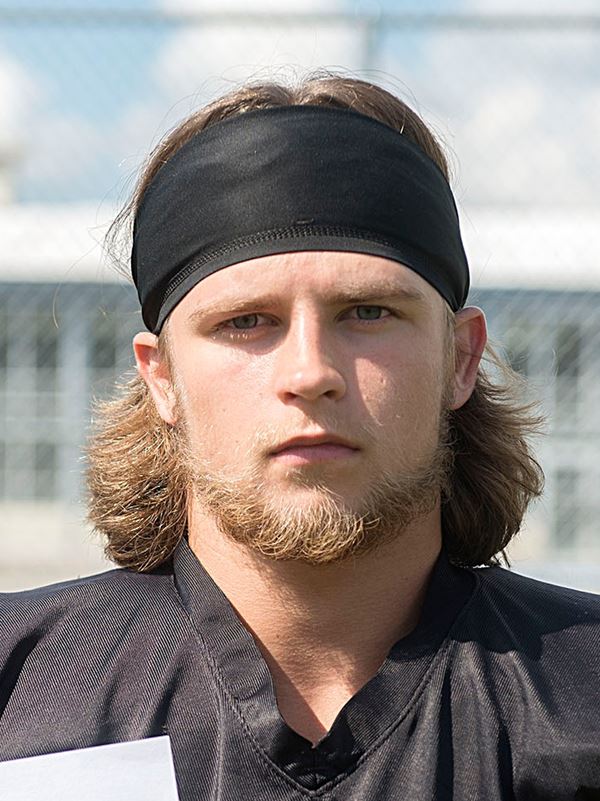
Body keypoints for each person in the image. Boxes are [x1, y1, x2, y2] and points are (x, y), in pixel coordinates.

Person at [1, 74, 599, 801]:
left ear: (460, 359)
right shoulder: (20, 690)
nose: (311, 373)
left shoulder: (583, 700)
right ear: (163, 378)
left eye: (369, 312)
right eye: (246, 321)